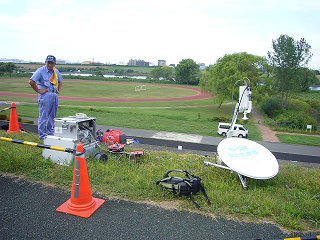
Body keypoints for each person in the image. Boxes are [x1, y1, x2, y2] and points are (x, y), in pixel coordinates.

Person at [29, 55, 63, 140]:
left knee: (52, 115)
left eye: (52, 63)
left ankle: (50, 132)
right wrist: (39, 91)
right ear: (45, 62)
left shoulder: (55, 71)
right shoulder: (40, 71)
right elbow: (31, 81)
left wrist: (58, 90)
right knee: (43, 115)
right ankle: (42, 135)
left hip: (54, 95)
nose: (50, 65)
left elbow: (60, 81)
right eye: (48, 63)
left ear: (55, 63)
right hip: (45, 95)